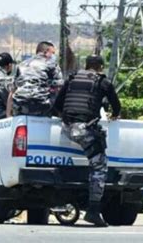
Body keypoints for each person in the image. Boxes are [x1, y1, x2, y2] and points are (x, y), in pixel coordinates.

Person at [54, 55, 121, 227]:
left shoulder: (72, 78)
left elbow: (57, 104)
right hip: (83, 130)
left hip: (67, 128)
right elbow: (116, 103)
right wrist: (115, 115)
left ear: (86, 65)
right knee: (99, 165)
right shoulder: (102, 81)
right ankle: (93, 210)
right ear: (100, 67)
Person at [6, 41, 63, 117]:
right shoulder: (52, 64)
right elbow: (60, 89)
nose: (53, 55)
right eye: (52, 53)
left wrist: (8, 114)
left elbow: (12, 91)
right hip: (43, 107)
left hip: (21, 107)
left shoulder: (21, 65)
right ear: (46, 52)